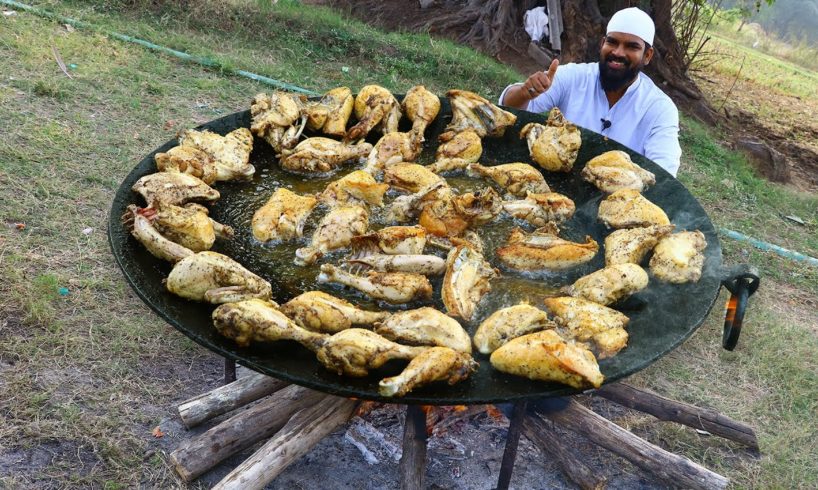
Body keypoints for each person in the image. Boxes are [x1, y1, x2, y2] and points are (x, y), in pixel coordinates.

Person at [499, 7, 682, 177]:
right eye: (612, 42)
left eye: (631, 47)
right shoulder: (573, 76)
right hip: (556, 180)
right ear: (602, 44)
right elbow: (508, 111)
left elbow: (664, 175)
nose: (618, 52)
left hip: (617, 200)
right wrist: (524, 92)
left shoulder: (660, 109)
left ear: (647, 55)